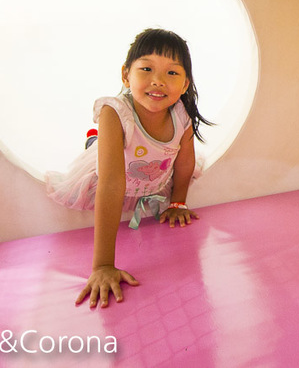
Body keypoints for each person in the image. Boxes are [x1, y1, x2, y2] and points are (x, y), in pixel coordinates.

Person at [45, 28, 211, 308]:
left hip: (150, 173)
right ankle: (94, 139)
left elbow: (184, 162)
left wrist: (178, 202)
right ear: (126, 75)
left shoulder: (181, 113)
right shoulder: (114, 113)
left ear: (184, 85)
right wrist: (102, 266)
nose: (158, 80)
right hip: (114, 169)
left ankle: (95, 140)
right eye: (146, 68)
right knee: (98, 146)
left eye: (172, 73)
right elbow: (111, 183)